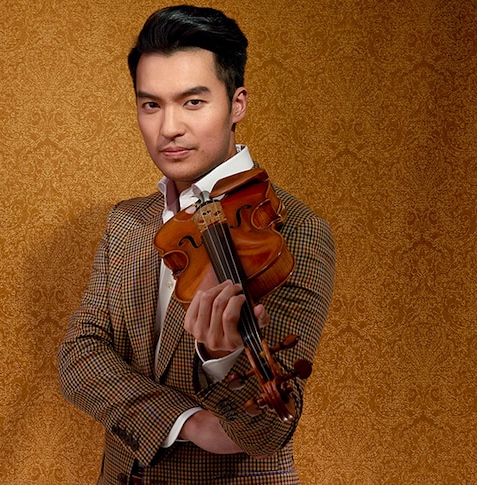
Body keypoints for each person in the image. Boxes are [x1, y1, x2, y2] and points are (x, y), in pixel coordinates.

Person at [57, 5, 336, 484]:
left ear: (237, 104)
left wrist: (225, 359)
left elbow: (269, 430)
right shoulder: (126, 222)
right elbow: (79, 357)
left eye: (193, 102)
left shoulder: (293, 231)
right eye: (151, 104)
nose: (168, 128)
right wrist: (184, 422)